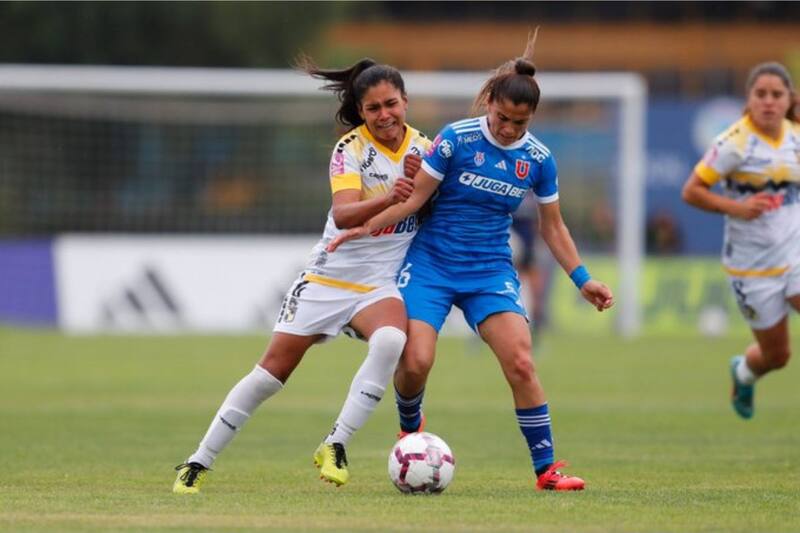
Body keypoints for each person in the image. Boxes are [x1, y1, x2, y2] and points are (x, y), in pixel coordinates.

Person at [328, 31, 614, 491]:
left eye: (519, 123)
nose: (507, 129)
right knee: (416, 360)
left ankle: (547, 470)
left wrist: (583, 278)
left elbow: (553, 226)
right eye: (502, 118)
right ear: (489, 105)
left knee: (521, 362)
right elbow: (414, 199)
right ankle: (410, 430)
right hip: (432, 265)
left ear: (531, 118)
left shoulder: (538, 159)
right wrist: (364, 227)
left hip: (489, 272)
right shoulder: (455, 139)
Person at [173, 56, 431, 493]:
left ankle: (335, 443)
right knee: (270, 374)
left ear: (405, 101)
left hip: (378, 284)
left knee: (392, 339)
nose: (384, 115)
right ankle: (197, 462)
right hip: (329, 278)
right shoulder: (349, 149)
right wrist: (389, 196)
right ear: (362, 112)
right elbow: (343, 213)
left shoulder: (426, 150)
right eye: (373, 109)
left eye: (391, 104)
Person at [682, 61, 800, 420]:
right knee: (777, 356)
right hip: (752, 267)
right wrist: (737, 206)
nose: (768, 101)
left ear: (787, 99)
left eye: (776, 95)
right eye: (760, 94)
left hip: (795, 252)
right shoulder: (733, 143)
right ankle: (744, 373)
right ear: (748, 99)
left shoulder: (795, 136)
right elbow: (692, 191)